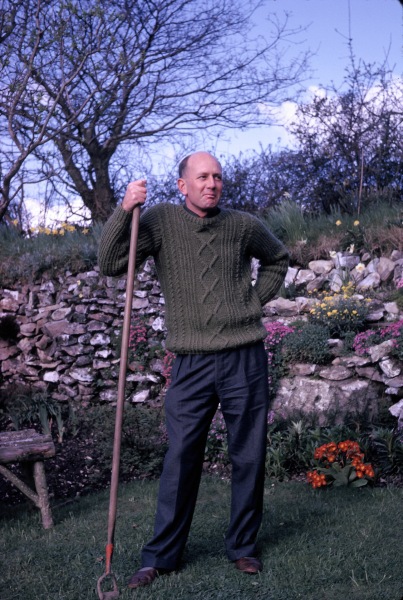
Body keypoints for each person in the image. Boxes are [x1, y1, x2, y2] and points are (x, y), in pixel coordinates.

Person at [98, 151, 289, 589]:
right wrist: (124, 209)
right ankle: (161, 556)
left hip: (245, 355)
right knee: (181, 457)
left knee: (249, 454)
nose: (212, 184)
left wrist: (253, 302)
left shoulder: (242, 225)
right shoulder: (160, 220)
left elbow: (278, 257)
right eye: (202, 177)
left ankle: (243, 548)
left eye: (218, 177)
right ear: (182, 185)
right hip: (190, 361)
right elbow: (110, 263)